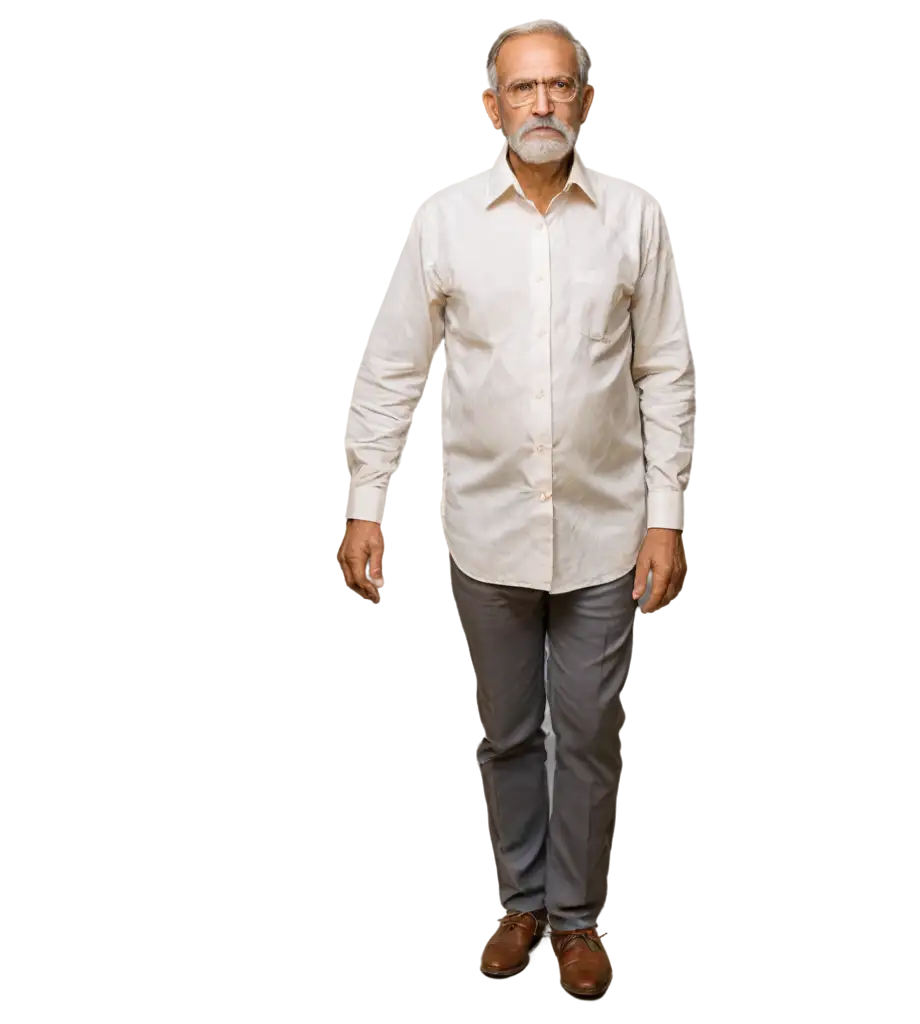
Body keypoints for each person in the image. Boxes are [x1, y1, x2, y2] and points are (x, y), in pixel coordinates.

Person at [341, 16, 695, 998]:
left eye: (558, 86)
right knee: (505, 730)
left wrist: (665, 513)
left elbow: (664, 368)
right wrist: (365, 502)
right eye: (522, 88)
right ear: (491, 105)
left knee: (585, 733)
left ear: (584, 99)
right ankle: (521, 900)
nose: (542, 103)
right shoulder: (443, 220)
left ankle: (577, 921)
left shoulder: (631, 218)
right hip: (488, 533)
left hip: (602, 531)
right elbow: (391, 366)